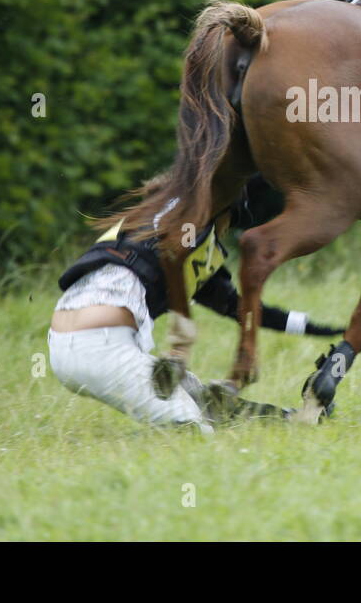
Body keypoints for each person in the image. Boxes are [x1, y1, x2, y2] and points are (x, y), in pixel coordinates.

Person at [48, 175, 341, 432]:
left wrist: (310, 326)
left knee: (208, 405)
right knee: (195, 433)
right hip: (100, 350)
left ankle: (293, 420)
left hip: (68, 346)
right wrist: (181, 341)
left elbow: (238, 308)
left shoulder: (146, 219)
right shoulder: (190, 229)